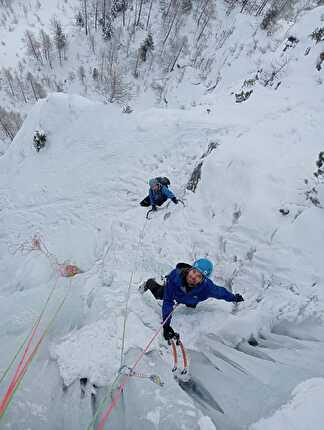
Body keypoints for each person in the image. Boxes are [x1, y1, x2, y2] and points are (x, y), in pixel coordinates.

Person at [139, 258, 244, 342]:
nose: (194, 276)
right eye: (194, 271)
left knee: (191, 305)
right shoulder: (175, 277)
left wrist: (234, 297)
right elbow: (168, 302)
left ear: (203, 279)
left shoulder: (207, 288)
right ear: (190, 269)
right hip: (175, 292)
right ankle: (149, 283)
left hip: (190, 298)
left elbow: (221, 293)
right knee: (159, 294)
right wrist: (166, 326)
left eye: (199, 276)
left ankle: (188, 301)